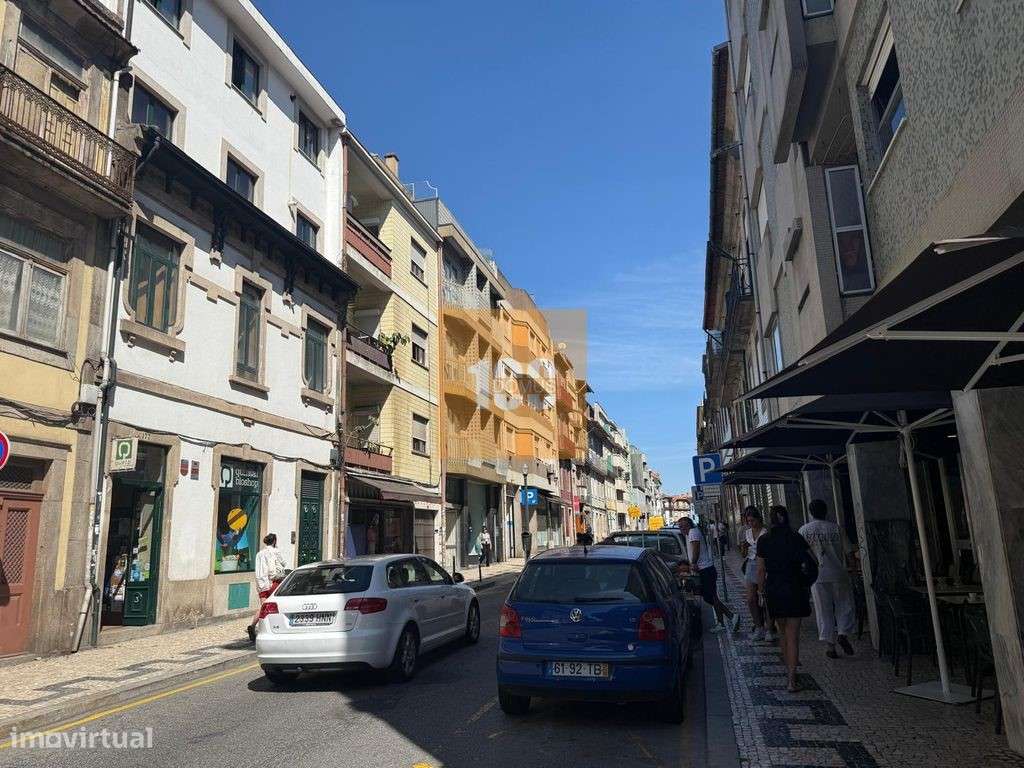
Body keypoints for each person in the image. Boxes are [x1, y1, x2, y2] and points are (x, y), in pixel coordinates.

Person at [756, 505, 814, 692]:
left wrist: (761, 590)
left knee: (782, 632)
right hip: (795, 587)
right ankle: (791, 679)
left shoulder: (764, 540)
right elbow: (812, 561)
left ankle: (788, 672)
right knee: (793, 635)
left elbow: (760, 569)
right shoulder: (796, 537)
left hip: (775, 589)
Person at [799, 499, 856, 658]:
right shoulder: (836, 528)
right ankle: (843, 633)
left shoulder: (804, 530)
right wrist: (854, 571)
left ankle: (830, 646)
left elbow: (799, 554)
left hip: (817, 576)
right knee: (844, 605)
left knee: (823, 610)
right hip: (838, 573)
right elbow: (849, 552)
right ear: (826, 511)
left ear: (811, 512)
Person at [679, 517, 739, 633]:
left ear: (689, 525)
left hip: (705, 569)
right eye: (680, 526)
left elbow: (696, 548)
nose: (681, 528)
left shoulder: (692, 532)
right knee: (711, 597)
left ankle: (731, 616)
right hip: (705, 569)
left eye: (683, 526)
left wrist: (693, 563)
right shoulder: (690, 534)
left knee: (710, 597)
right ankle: (724, 621)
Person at [741, 507, 775, 643]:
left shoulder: (766, 532)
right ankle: (759, 626)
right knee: (751, 599)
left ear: (759, 519)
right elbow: (743, 553)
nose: (751, 523)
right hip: (750, 564)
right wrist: (743, 548)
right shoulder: (747, 533)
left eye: (753, 520)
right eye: (748, 521)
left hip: (765, 565)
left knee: (766, 600)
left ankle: (769, 629)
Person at [249, 533, 287, 641]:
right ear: (274, 541)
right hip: (272, 582)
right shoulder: (275, 552)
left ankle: (252, 626)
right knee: (276, 605)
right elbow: (283, 563)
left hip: (261, 583)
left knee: (263, 607)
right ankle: (268, 628)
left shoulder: (259, 553)